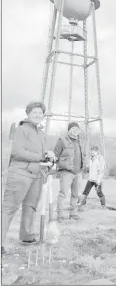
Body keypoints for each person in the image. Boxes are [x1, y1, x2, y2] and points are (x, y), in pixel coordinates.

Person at [1, 102, 56, 254]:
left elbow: (45, 153)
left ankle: (27, 236)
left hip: (37, 174)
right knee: (9, 208)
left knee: (30, 206)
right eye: (35, 112)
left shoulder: (42, 134)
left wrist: (51, 158)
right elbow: (17, 151)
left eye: (40, 113)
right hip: (20, 173)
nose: (38, 115)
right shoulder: (21, 130)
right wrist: (40, 157)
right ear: (28, 113)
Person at [54, 122, 86, 222]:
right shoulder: (62, 140)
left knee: (75, 195)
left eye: (77, 128)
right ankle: (60, 216)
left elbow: (82, 155)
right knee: (63, 194)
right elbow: (55, 155)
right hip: (66, 172)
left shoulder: (80, 141)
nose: (75, 130)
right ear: (69, 130)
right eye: (73, 128)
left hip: (78, 172)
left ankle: (73, 214)